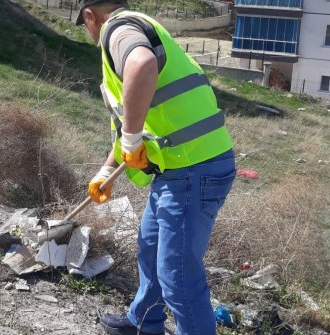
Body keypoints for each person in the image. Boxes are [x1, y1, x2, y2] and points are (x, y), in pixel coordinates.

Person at [76, 1, 236, 334]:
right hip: (181, 167)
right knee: (150, 248)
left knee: (177, 273)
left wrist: (132, 141)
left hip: (193, 168)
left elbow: (142, 65)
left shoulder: (117, 30)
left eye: (84, 24)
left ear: (90, 16)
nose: (88, 30)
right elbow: (141, 121)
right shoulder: (138, 25)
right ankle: (143, 322)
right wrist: (108, 170)